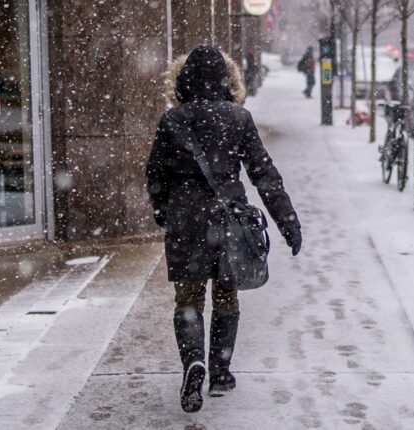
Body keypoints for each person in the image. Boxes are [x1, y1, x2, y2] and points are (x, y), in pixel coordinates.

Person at [146, 44, 302, 413]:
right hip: (228, 219)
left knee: (188, 299)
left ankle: (193, 363)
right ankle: (220, 372)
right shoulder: (238, 118)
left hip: (186, 221)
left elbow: (155, 173)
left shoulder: (173, 121)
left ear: (182, 81)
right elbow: (264, 175)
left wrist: (163, 211)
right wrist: (287, 222)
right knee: (227, 296)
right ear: (226, 80)